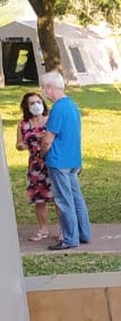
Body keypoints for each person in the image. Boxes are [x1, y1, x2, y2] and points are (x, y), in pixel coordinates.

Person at [39, 71, 91, 250]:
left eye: (44, 88)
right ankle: (84, 233)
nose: (44, 92)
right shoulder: (72, 105)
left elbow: (48, 139)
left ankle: (70, 239)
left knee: (64, 200)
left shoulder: (58, 108)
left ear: (49, 88)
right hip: (73, 158)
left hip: (59, 160)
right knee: (76, 198)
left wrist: (43, 154)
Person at [15, 92, 55, 242]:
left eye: (38, 102)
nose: (36, 105)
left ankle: (64, 230)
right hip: (35, 166)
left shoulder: (50, 120)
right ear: (26, 106)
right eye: (32, 103)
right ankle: (43, 229)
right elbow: (19, 145)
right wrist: (24, 143)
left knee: (58, 197)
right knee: (39, 199)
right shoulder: (23, 124)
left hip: (51, 162)